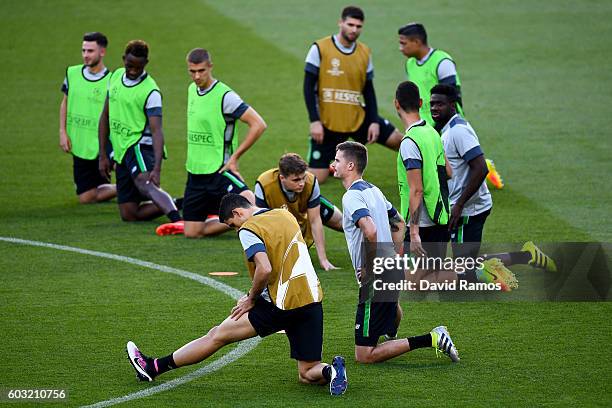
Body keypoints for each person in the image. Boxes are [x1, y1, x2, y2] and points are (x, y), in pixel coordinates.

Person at [127, 193, 348, 396]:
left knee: (216, 335)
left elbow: (265, 268)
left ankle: (153, 367)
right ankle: (331, 372)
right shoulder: (284, 214)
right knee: (308, 372)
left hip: (280, 303)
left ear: (237, 213)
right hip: (311, 300)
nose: (235, 230)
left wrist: (251, 298)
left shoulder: (249, 229)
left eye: (232, 225)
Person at [332, 140, 459, 363]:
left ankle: (433, 338)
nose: (334, 164)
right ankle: (392, 335)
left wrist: (370, 268)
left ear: (350, 166)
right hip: (391, 267)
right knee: (391, 307)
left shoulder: (351, 196)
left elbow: (370, 231)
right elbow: (399, 223)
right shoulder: (373, 190)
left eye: (337, 160)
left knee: (364, 355)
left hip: (376, 277)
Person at [431, 84, 557, 279]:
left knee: (465, 272)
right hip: (459, 206)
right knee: (464, 266)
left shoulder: (458, 131)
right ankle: (525, 256)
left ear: (452, 105)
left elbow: (481, 168)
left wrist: (460, 204)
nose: (434, 108)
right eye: (432, 104)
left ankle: (524, 257)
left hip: (468, 210)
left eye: (439, 104)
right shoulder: (447, 129)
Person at [156, 48, 266, 237]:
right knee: (192, 233)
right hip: (195, 173)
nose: (197, 76)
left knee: (250, 204)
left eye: (201, 71)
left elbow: (259, 125)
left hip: (219, 169)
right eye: (192, 71)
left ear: (210, 67)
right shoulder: (192, 90)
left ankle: (272, 222)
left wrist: (234, 157)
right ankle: (236, 219)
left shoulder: (225, 96)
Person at [397, 23, 504, 189]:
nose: (400, 48)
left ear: (417, 42)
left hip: (445, 120)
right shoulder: (410, 64)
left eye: (403, 43)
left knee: (451, 161)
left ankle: (482, 170)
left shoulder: (442, 61)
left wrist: (442, 124)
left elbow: (453, 95)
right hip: (426, 120)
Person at [304, 5, 403, 183]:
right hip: (328, 122)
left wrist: (373, 121)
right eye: (350, 24)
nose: (354, 29)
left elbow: (368, 90)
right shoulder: (320, 48)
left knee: (399, 140)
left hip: (357, 117)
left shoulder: (364, 52)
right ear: (340, 23)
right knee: (316, 180)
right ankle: (333, 165)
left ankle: (433, 167)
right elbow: (307, 87)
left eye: (358, 26)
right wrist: (315, 121)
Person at [98, 40, 181, 224]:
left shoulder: (151, 91)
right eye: (130, 66)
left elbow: (157, 131)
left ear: (146, 63)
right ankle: (179, 204)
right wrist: (103, 155)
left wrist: (157, 168)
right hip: (121, 149)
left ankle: (178, 221)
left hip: (140, 146)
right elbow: (104, 116)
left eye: (138, 66)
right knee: (129, 214)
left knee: (146, 185)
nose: (133, 70)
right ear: (123, 60)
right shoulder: (115, 77)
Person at [255, 153, 342, 271]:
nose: (301, 183)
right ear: (282, 178)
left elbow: (315, 220)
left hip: (308, 206)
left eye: (303, 177)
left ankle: (371, 247)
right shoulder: (264, 184)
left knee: (344, 222)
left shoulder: (310, 181)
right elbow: (262, 224)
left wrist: (323, 260)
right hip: (278, 218)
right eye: (296, 180)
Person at [395, 81, 451, 260]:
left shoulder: (410, 142)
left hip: (423, 227)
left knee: (419, 282)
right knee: (434, 280)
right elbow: (448, 172)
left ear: (396, 104)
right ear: (420, 103)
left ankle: (483, 270)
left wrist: (413, 233)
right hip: (440, 216)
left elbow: (417, 189)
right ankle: (479, 271)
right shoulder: (432, 132)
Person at [59, 32, 116, 204]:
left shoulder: (112, 80)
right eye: (83, 50)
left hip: (106, 143)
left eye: (90, 51)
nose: (85, 55)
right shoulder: (72, 73)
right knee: (86, 197)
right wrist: (62, 131)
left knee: (130, 173)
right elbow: (65, 103)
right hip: (81, 142)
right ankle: (126, 189)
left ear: (102, 52)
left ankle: (167, 201)